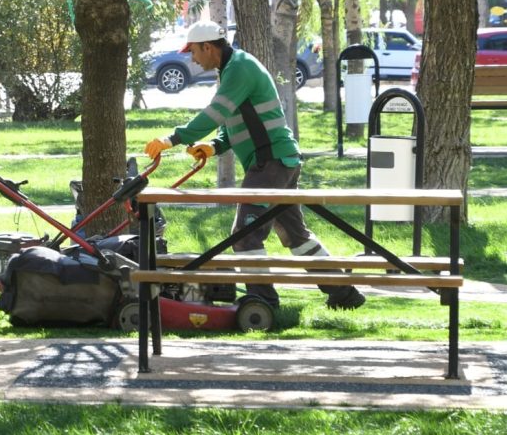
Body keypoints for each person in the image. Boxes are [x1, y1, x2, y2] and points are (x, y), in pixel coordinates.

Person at [144, 20, 365, 311]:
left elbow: (214, 114)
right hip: (279, 161)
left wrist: (173, 138)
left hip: (270, 163)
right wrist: (216, 146)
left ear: (208, 47)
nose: (192, 58)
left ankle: (263, 303)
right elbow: (233, 121)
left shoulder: (239, 68)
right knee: (295, 236)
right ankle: (343, 293)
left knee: (245, 236)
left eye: (194, 51)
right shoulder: (231, 69)